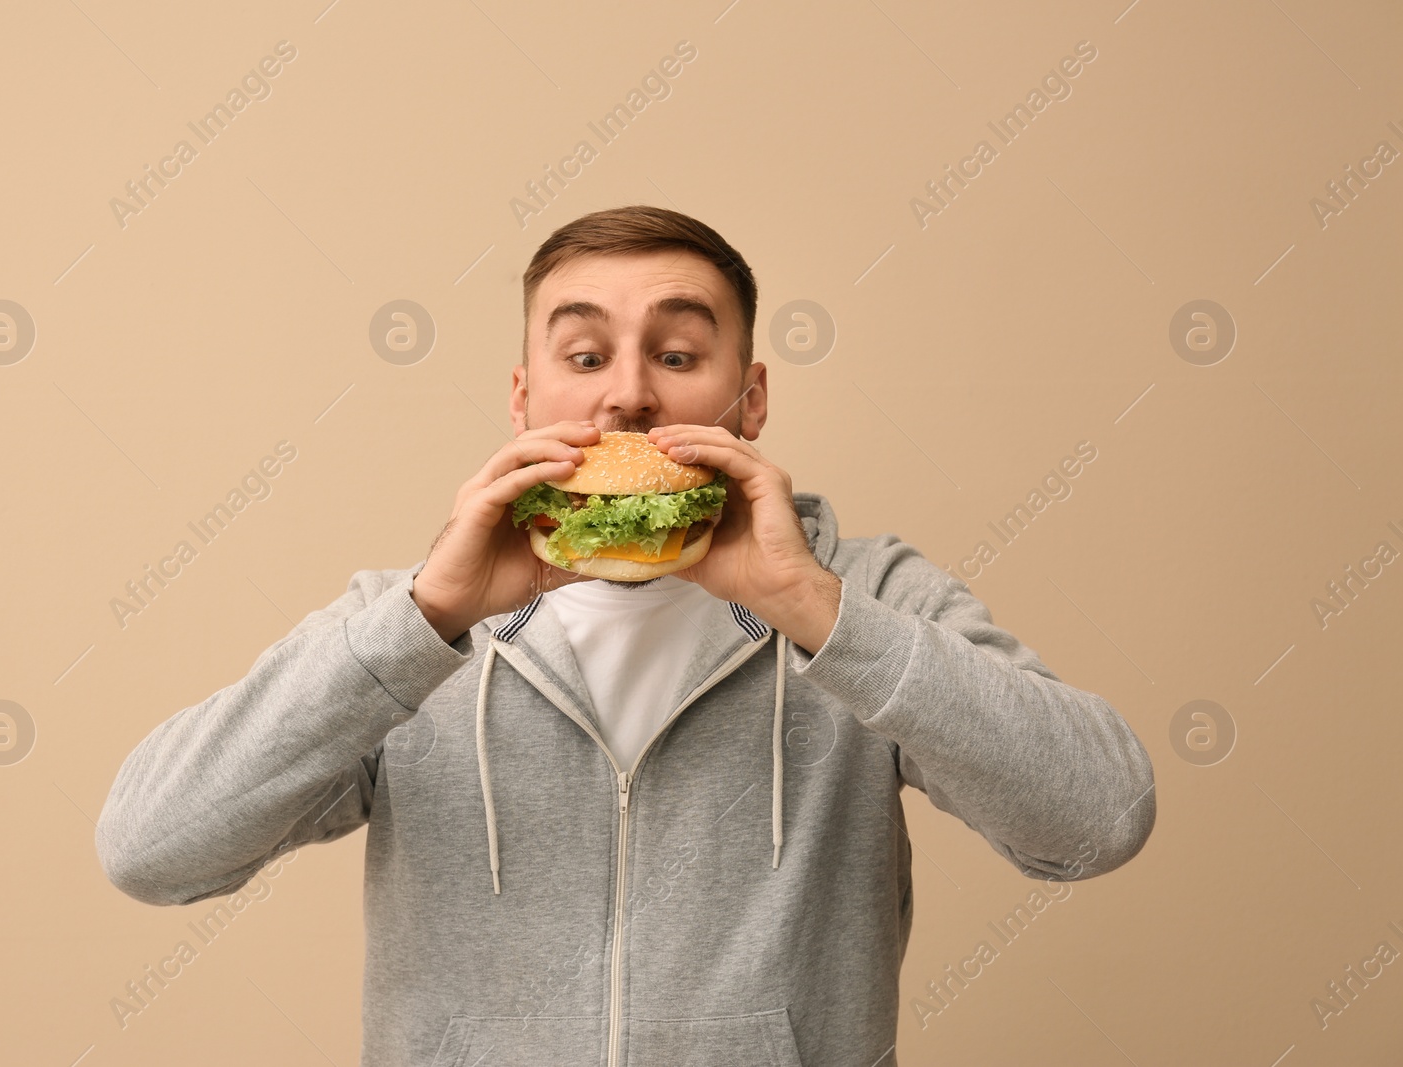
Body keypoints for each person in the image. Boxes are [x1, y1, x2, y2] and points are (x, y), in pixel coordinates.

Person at [96, 205, 1156, 1066]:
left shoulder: (865, 593)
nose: (629, 394)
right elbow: (151, 849)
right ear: (524, 398)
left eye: (679, 352)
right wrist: (425, 619)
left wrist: (815, 610)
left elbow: (1099, 817)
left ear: (750, 401)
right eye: (586, 353)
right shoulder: (407, 624)